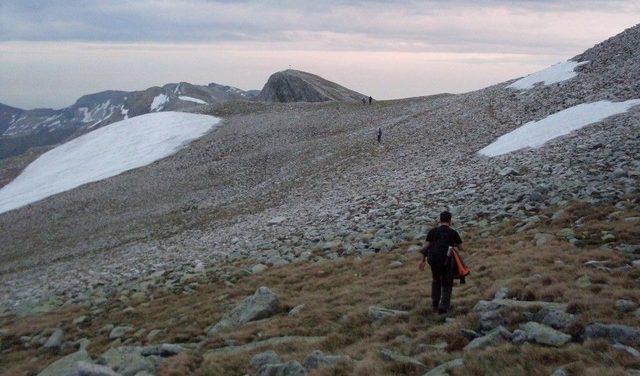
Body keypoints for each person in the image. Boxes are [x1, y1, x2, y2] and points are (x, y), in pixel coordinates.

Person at [418, 211, 465, 314]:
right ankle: (443, 307)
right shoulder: (453, 233)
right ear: (450, 221)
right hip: (447, 261)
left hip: (434, 261)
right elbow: (462, 248)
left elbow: (425, 247)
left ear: (439, 220)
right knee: (447, 283)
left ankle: (435, 305)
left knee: (436, 281)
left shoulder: (433, 232)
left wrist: (422, 261)